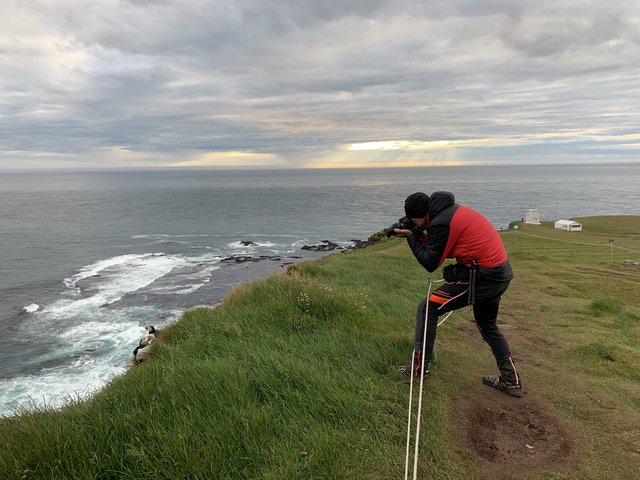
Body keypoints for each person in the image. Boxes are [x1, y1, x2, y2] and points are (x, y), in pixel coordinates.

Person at [394, 191, 522, 397]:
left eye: (413, 221)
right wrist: (418, 235)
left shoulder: (440, 223)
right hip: (498, 274)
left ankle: (417, 370)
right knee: (488, 325)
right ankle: (511, 380)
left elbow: (430, 262)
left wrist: (411, 237)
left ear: (419, 216)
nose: (414, 224)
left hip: (483, 278)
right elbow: (439, 248)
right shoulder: (449, 213)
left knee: (428, 308)